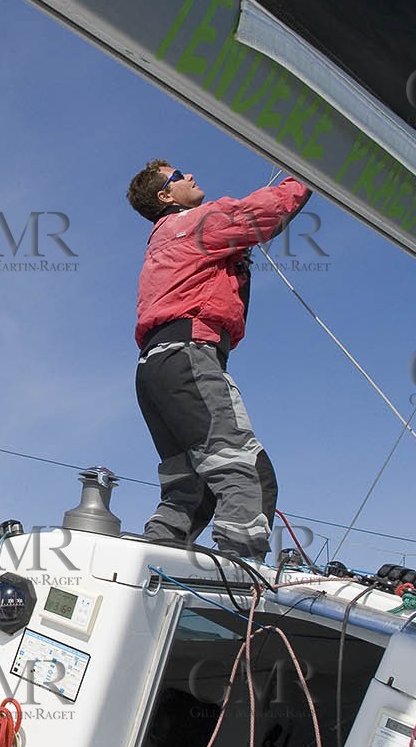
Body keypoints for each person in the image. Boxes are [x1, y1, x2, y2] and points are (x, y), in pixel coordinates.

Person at [124, 161, 311, 561]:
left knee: (190, 485)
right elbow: (260, 213)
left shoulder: (161, 239)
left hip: (153, 372)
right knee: (245, 469)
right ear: (166, 197)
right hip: (189, 357)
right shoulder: (192, 224)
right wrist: (310, 174)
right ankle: (244, 574)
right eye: (179, 176)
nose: (190, 176)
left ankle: (152, 560)